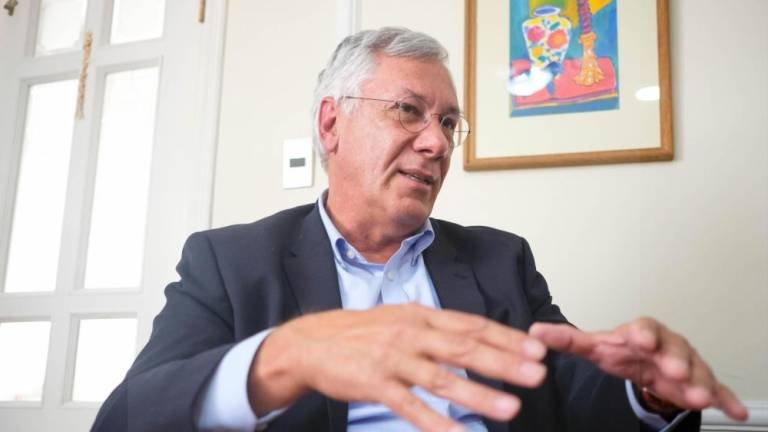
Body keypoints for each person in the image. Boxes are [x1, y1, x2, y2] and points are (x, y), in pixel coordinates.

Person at [92, 27, 747, 432]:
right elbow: (126, 419)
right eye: (408, 111)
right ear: (331, 125)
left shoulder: (500, 259)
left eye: (449, 123)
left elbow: (569, 393)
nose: (436, 143)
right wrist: (284, 356)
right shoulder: (232, 261)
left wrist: (647, 391)